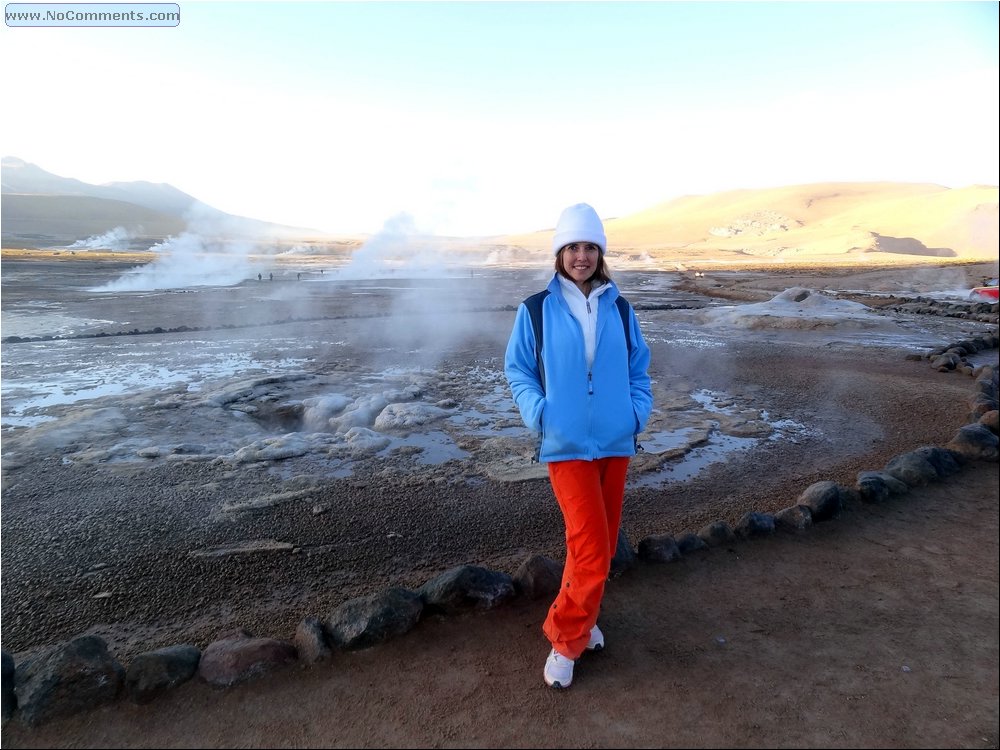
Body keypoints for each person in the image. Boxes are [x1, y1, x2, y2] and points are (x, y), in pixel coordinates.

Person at [504, 202, 653, 689]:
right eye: (574, 247)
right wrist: (539, 413)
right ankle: (565, 639)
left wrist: (637, 411)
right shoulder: (536, 310)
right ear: (560, 253)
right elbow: (519, 369)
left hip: (614, 441)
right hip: (566, 444)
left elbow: (638, 369)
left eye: (591, 247)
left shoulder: (619, 306)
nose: (582, 256)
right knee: (590, 547)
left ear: (601, 253)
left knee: (598, 545)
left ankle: (582, 622)